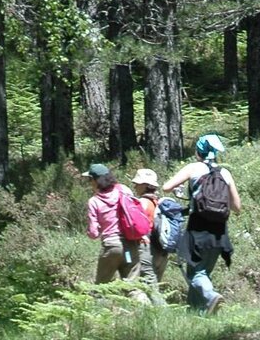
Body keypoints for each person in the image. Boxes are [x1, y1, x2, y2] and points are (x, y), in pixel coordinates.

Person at [162, 134, 242, 315]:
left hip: (198, 226)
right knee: (203, 271)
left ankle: (211, 296)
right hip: (220, 230)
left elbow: (166, 187)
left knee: (195, 274)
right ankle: (196, 313)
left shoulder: (193, 168)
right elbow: (237, 207)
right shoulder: (224, 173)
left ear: (198, 152)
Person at [85, 163, 145, 292]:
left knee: (101, 289)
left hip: (111, 247)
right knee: (133, 288)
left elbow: (93, 234)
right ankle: (144, 310)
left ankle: (97, 311)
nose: (89, 183)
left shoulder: (94, 201)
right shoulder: (123, 190)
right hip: (130, 246)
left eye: (90, 179)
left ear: (96, 181)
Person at [129, 167, 168, 307]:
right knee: (153, 283)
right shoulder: (159, 202)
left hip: (147, 248)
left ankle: (164, 313)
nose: (134, 185)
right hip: (162, 250)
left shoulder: (142, 203)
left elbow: (136, 226)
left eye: (137, 183)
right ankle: (151, 316)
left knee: (149, 284)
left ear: (145, 185)